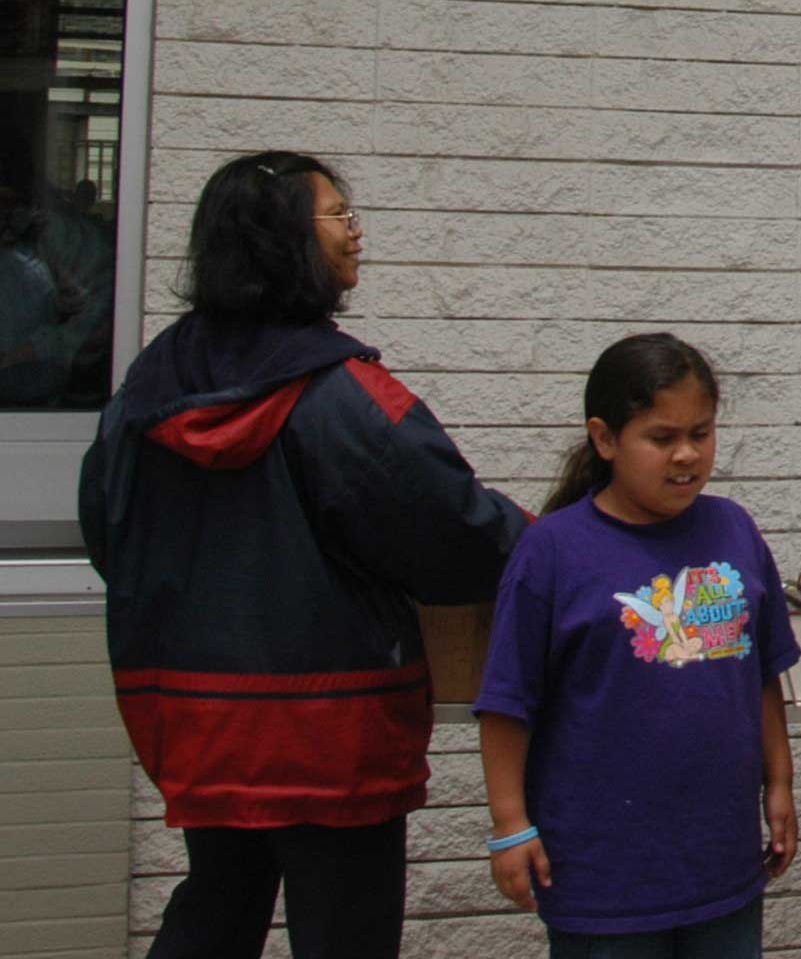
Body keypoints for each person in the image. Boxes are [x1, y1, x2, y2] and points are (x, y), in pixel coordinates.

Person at [78, 151, 525, 959]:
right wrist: (554, 540)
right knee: (344, 932)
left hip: (193, 719)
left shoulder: (146, 390)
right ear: (285, 240)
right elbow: (453, 536)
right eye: (341, 217)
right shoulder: (340, 395)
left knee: (216, 907)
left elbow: (108, 532)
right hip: (332, 733)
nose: (358, 235)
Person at [476, 334, 801, 959]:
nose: (686, 455)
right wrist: (509, 825)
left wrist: (780, 782)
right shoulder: (553, 552)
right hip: (603, 881)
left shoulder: (734, 529)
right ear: (604, 439)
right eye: (661, 437)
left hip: (723, 866)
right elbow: (506, 702)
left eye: (701, 433)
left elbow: (762, 673)